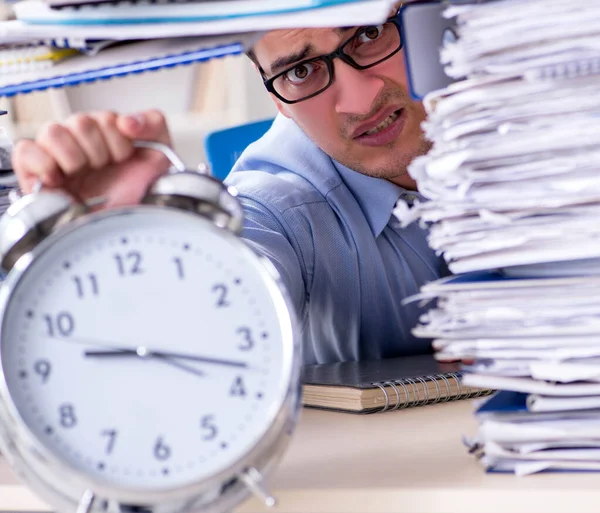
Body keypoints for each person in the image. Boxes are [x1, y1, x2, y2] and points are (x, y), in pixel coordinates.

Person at [11, 5, 447, 365]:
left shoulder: (507, 99)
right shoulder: (280, 203)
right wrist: (134, 250)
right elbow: (220, 299)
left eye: (369, 35)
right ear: (277, 100)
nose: (360, 100)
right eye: (301, 71)